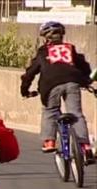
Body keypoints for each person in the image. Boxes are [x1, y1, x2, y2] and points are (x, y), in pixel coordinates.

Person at [20, 21, 95, 165]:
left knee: (50, 110)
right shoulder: (70, 48)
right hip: (73, 81)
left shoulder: (43, 52)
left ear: (45, 38)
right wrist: (86, 80)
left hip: (50, 85)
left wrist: (24, 90)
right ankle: (85, 146)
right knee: (76, 113)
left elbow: (30, 73)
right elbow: (85, 66)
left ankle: (49, 141)